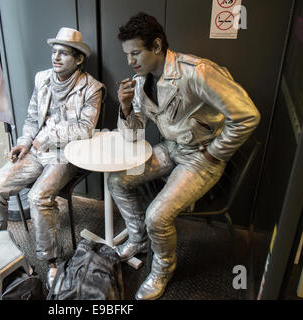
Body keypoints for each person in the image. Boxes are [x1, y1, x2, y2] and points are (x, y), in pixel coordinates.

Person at [109, 13, 260, 300]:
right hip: (172, 148)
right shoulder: (142, 82)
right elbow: (133, 134)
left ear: (156, 45)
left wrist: (215, 152)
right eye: (127, 55)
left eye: (135, 53)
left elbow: (247, 116)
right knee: (117, 180)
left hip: (201, 157)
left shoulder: (197, 71)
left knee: (157, 215)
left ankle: (163, 268)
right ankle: (138, 239)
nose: (130, 62)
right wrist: (126, 107)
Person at [0, 27, 105, 287]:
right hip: (37, 150)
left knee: (38, 197)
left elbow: (84, 129)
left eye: (63, 54)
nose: (56, 58)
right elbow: (31, 118)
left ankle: (52, 261)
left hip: (67, 155)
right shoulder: (42, 79)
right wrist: (24, 142)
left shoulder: (92, 87)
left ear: (79, 59)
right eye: (54, 52)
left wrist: (48, 137)